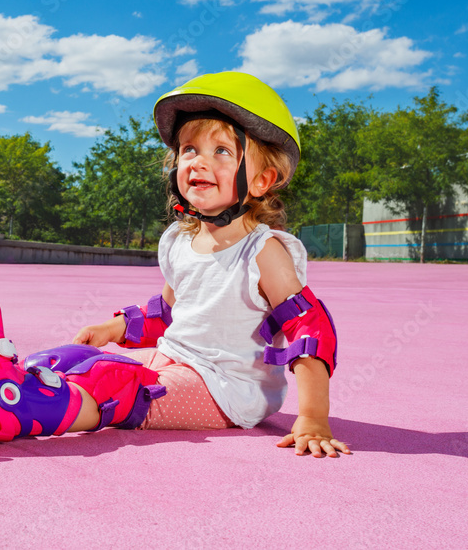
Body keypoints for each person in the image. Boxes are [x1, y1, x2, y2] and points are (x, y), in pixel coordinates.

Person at [71, 71, 349, 458]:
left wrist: (314, 418)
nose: (199, 162)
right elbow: (167, 312)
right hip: (176, 359)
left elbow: (309, 328)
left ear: (262, 180)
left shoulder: (262, 251)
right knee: (77, 361)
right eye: (189, 149)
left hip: (228, 388)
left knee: (113, 387)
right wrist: (112, 328)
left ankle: (18, 409)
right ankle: (7, 384)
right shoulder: (179, 241)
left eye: (221, 151)